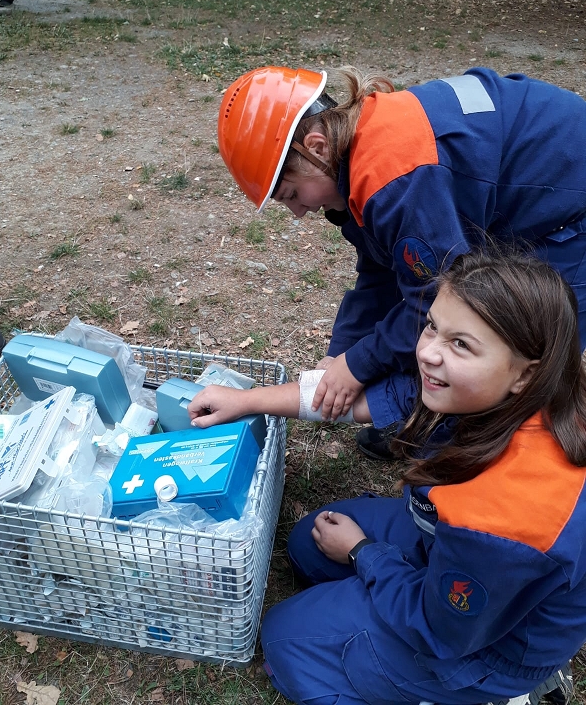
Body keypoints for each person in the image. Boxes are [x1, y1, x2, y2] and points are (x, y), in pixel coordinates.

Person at [188, 249, 586, 705]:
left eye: (461, 344)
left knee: (283, 642)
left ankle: (501, 694)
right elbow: (366, 400)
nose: (428, 353)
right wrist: (246, 400)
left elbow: (439, 631)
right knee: (308, 544)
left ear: (524, 374)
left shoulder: (502, 518)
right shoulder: (502, 391)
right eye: (432, 326)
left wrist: (364, 554)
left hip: (483, 646)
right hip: (455, 549)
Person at [217, 65, 586, 460]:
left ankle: (484, 454)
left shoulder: (395, 180)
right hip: (538, 188)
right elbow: (381, 271)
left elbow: (438, 298)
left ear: (317, 147)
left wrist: (358, 366)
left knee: (519, 352)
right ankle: (436, 421)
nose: (297, 212)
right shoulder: (357, 158)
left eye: (291, 194)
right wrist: (342, 352)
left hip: (570, 214)